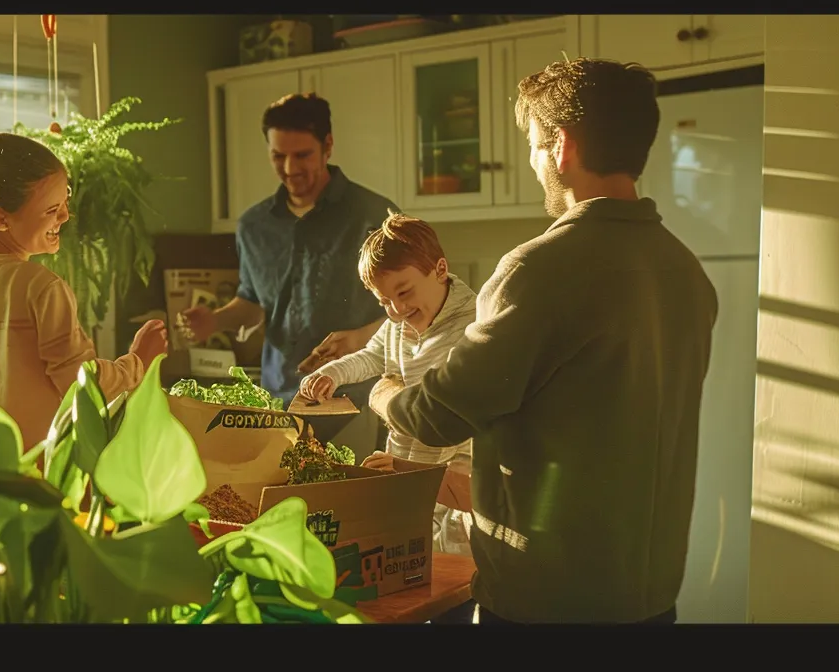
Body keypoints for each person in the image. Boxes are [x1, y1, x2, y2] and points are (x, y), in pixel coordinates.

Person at [368, 58, 719, 625]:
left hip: (548, 601)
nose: (534, 162)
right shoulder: (684, 271)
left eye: (534, 144)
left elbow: (436, 417)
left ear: (562, 146)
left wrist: (383, 391)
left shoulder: (538, 269)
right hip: (650, 597)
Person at [0, 114, 169, 452]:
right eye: (52, 209)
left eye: (66, 200)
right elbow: (81, 386)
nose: (66, 216)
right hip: (35, 477)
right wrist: (137, 364)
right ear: (0, 218)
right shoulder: (40, 286)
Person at [176, 93, 398, 440]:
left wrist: (357, 339)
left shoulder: (375, 216)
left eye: (302, 155)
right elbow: (254, 303)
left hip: (357, 402)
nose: (290, 169)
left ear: (328, 146)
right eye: (278, 156)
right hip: (279, 402)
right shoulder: (253, 226)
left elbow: (411, 312)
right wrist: (216, 320)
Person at [298, 213, 477, 557]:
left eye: (404, 292)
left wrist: (405, 471)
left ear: (440, 269)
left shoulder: (473, 326)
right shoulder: (398, 323)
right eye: (384, 302)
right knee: (405, 549)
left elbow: (441, 419)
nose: (396, 309)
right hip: (402, 472)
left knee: (451, 562)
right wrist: (332, 374)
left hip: (452, 479)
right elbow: (370, 357)